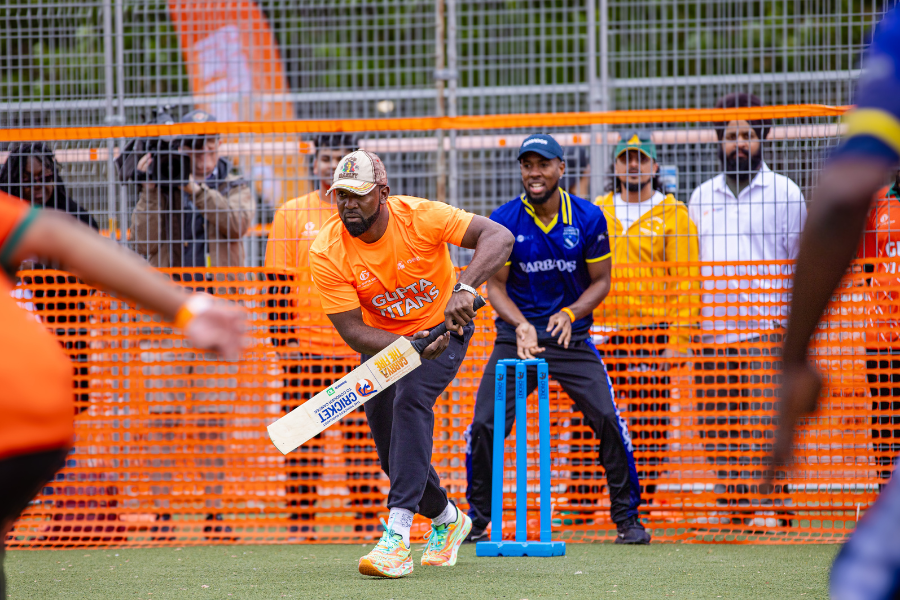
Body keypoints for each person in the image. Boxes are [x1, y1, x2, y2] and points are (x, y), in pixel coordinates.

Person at [0, 189, 245, 598]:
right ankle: (167, 513)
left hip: (19, 413)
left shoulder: (229, 187)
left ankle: (214, 511)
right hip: (39, 411)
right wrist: (185, 309)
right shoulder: (153, 193)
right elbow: (59, 234)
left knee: (210, 423)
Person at [309, 150, 513, 578]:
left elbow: (499, 237)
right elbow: (351, 330)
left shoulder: (420, 216)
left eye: (358, 195)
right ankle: (447, 520)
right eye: (341, 195)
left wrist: (464, 287)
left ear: (383, 193)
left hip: (444, 328)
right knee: (392, 449)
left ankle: (397, 539)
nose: (348, 205)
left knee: (411, 401)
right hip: (384, 344)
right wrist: (407, 346)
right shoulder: (327, 248)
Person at [464, 133, 650, 545]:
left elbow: (602, 283)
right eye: (527, 165)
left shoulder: (587, 217)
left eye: (543, 164)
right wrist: (520, 325)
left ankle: (627, 519)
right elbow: (495, 288)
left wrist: (570, 313)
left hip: (571, 338)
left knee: (608, 420)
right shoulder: (503, 220)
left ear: (560, 169)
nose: (535, 172)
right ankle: (476, 520)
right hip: (517, 338)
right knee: (484, 425)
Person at [773, 9, 900, 594]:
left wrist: (794, 360)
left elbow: (842, 194)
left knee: (864, 577)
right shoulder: (885, 206)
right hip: (884, 338)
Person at [688, 93, 807, 521]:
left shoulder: (786, 193)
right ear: (719, 141)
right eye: (731, 135)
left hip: (765, 329)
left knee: (763, 421)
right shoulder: (702, 196)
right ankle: (733, 502)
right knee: (717, 422)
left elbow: (800, 262)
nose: (739, 143)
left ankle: (770, 503)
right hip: (713, 330)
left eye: (748, 135)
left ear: (763, 139)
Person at [593, 131, 699, 495]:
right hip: (599, 334)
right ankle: (583, 499)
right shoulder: (596, 210)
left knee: (648, 423)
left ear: (655, 166)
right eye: (625, 157)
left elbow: (687, 281)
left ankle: (641, 498)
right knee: (591, 420)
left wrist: (678, 339)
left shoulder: (673, 214)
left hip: (648, 334)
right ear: (616, 166)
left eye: (641, 158)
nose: (633, 164)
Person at [265, 134, 359, 537]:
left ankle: (365, 518)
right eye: (326, 157)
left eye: (340, 158)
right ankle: (300, 523)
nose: (331, 165)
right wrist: (283, 341)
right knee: (303, 439)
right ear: (315, 163)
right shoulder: (291, 212)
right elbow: (275, 283)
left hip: (357, 348)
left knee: (362, 441)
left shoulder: (363, 212)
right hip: (305, 350)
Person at [131, 109, 255, 268]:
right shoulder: (163, 188)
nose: (202, 148)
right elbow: (142, 245)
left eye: (208, 140)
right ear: (181, 147)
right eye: (194, 142)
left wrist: (196, 192)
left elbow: (238, 225)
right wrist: (149, 191)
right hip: (170, 289)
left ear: (219, 144)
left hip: (218, 290)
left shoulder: (234, 185)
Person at [858, 168, 900, 483]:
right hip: (882, 331)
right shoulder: (879, 202)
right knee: (885, 411)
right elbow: (867, 262)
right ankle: (886, 485)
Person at [0, 142, 98, 230]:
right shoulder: (8, 216)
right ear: (13, 183)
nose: (38, 185)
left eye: (44, 178)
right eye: (27, 181)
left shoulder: (72, 214)